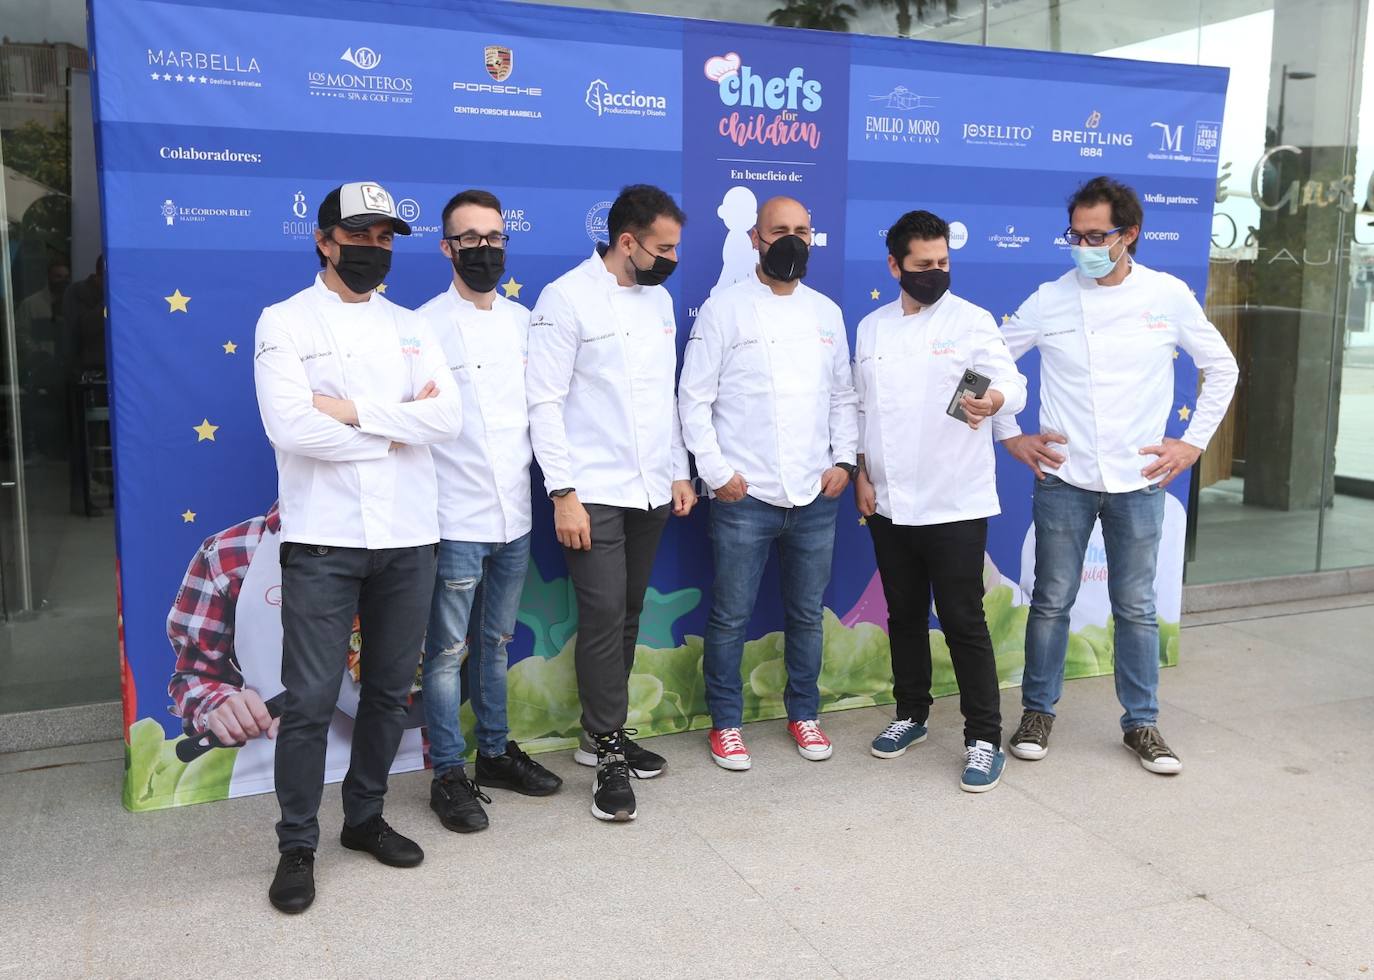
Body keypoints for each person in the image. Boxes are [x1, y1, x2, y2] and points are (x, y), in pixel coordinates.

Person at [253, 181, 462, 913]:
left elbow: (449, 419)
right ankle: (297, 844)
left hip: (409, 537)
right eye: (360, 235)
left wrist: (349, 413)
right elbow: (290, 428)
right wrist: (396, 430)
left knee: (385, 692)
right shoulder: (283, 322)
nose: (374, 248)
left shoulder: (412, 326)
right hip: (324, 542)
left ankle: (364, 819)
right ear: (323, 239)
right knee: (309, 702)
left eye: (385, 237)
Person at [996, 176, 1238, 775]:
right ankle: (1036, 713)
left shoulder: (1168, 294)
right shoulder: (1050, 298)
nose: (1083, 245)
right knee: (1050, 601)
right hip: (1064, 477)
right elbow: (991, 361)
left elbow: (1222, 368)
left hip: (1139, 480)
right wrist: (1011, 435)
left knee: (1136, 607)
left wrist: (1192, 444)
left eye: (1096, 235)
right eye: (1075, 235)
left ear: (1128, 235)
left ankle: (1143, 724)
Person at [525, 184, 696, 822]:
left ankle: (602, 734)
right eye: (664, 248)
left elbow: (664, 397)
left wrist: (678, 470)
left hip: (652, 487)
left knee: (626, 615)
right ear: (627, 242)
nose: (672, 259)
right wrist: (562, 493)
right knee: (601, 618)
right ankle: (608, 759)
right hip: (591, 491)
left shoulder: (660, 301)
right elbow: (543, 401)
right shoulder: (564, 299)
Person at [677, 195, 858, 771]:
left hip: (814, 495)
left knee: (806, 614)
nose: (791, 240)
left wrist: (844, 462)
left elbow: (842, 397)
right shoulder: (724, 310)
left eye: (802, 230)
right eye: (780, 230)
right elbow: (693, 398)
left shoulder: (827, 312)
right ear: (756, 238)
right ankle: (726, 723)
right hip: (744, 496)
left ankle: (804, 713)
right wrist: (717, 473)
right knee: (730, 615)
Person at [852, 210, 1027, 793]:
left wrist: (995, 399)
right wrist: (860, 472)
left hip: (954, 499)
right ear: (894, 265)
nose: (934, 273)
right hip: (888, 500)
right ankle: (911, 714)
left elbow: (1011, 381)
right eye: (923, 265)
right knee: (902, 614)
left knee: (962, 620)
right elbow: (861, 410)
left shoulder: (971, 321)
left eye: (943, 263)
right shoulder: (872, 328)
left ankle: (983, 737)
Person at [415, 188, 562, 835]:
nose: (483, 248)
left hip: (515, 520)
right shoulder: (421, 328)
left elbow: (544, 415)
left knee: (496, 646)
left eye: (494, 237)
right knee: (446, 654)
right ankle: (449, 772)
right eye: (469, 238)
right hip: (454, 520)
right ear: (446, 247)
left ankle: (495, 754)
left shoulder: (526, 322)